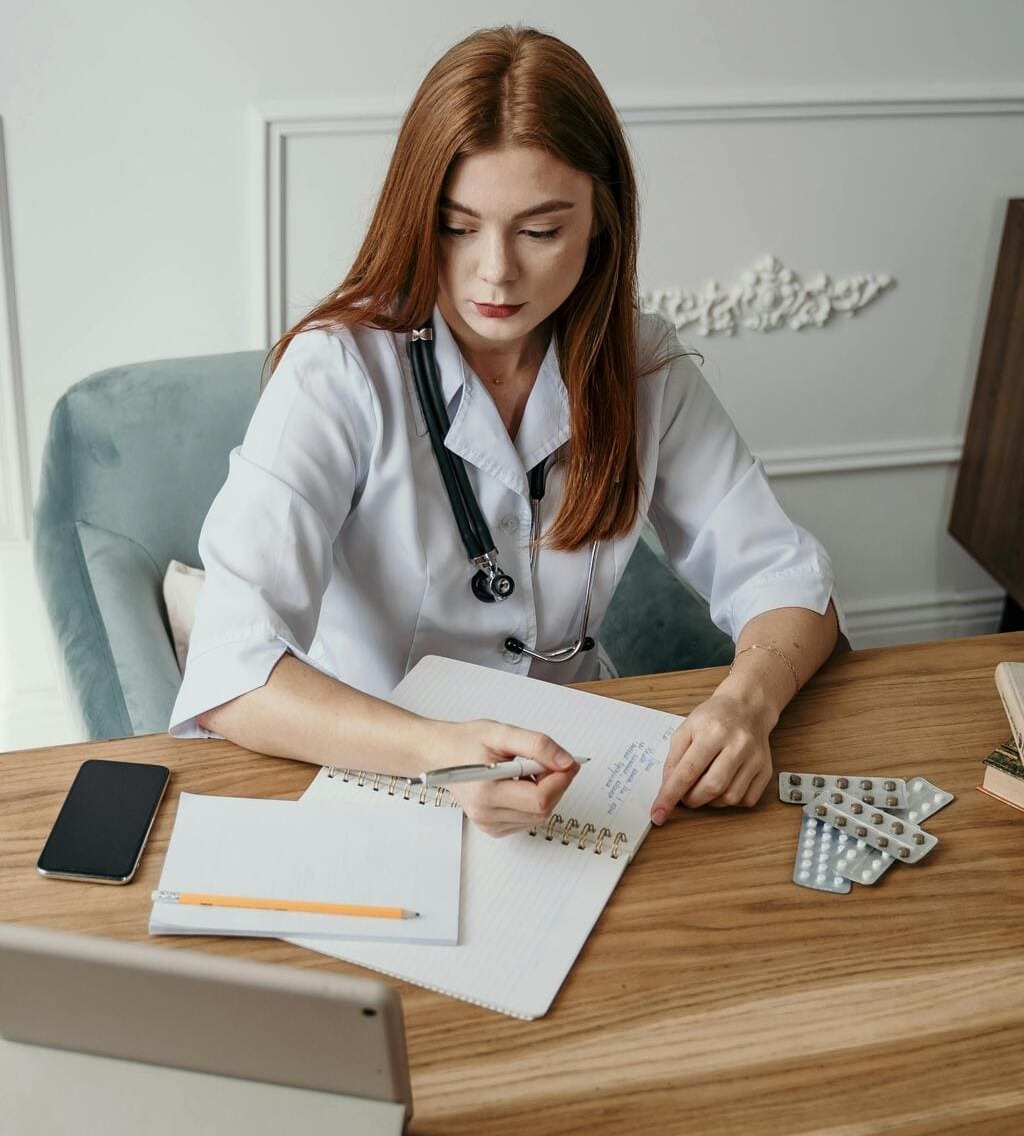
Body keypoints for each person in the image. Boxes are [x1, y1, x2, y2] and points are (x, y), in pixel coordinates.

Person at [169, 25, 841, 836]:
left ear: (601, 224)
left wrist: (746, 703)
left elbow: (786, 578)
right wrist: (440, 754)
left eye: (539, 231)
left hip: (589, 767)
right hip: (381, 768)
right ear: (417, 215)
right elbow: (232, 669)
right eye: (458, 227)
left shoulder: (643, 364)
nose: (495, 272)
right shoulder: (336, 373)